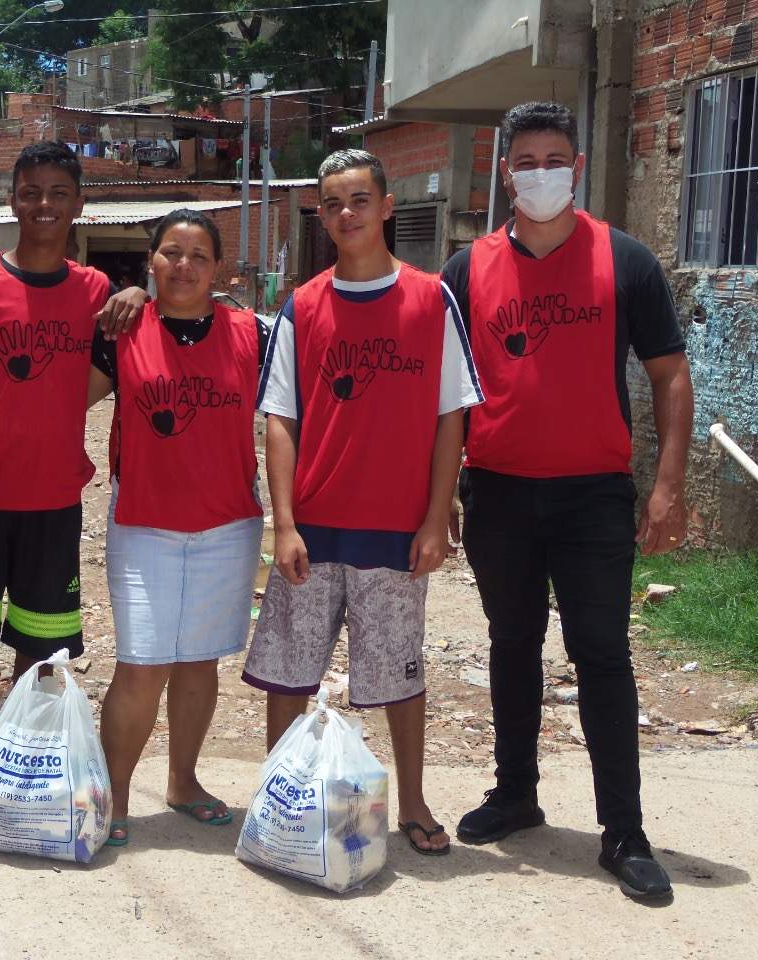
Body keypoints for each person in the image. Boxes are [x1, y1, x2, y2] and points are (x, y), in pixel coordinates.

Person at [441, 101, 693, 900]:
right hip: (501, 493)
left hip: (593, 499)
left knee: (602, 655)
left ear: (576, 167)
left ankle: (624, 830)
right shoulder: (465, 270)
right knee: (512, 643)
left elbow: (669, 374)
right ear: (505, 171)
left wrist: (668, 486)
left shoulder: (625, 260)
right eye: (527, 159)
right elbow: (441, 392)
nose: (541, 171)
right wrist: (441, 489)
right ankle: (516, 793)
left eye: (557, 158)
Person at [243, 149, 482, 856]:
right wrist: (283, 523)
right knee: (288, 673)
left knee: (400, 676)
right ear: (322, 217)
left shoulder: (431, 299)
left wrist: (436, 518)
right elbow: (280, 419)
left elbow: (451, 419)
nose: (345, 214)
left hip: (395, 530)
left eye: (357, 200)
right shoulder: (302, 306)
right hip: (312, 530)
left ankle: (412, 802)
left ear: (385, 207)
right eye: (332, 204)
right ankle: (279, 795)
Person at [0, 141, 146, 830]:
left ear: (79, 204)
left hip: (52, 498)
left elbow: (124, 357)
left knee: (36, 649)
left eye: (57, 192)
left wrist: (138, 291)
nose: (43, 204)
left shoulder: (95, 294)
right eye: (30, 191)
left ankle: (11, 771)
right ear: (12, 199)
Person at [89, 209, 272, 846]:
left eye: (198, 255)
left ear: (218, 268)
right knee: (142, 662)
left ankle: (183, 780)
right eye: (171, 253)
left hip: (228, 527)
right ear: (151, 261)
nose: (184, 265)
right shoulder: (123, 329)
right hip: (143, 525)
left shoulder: (255, 334)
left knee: (198, 661)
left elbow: (296, 416)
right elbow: (62, 397)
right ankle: (113, 789)